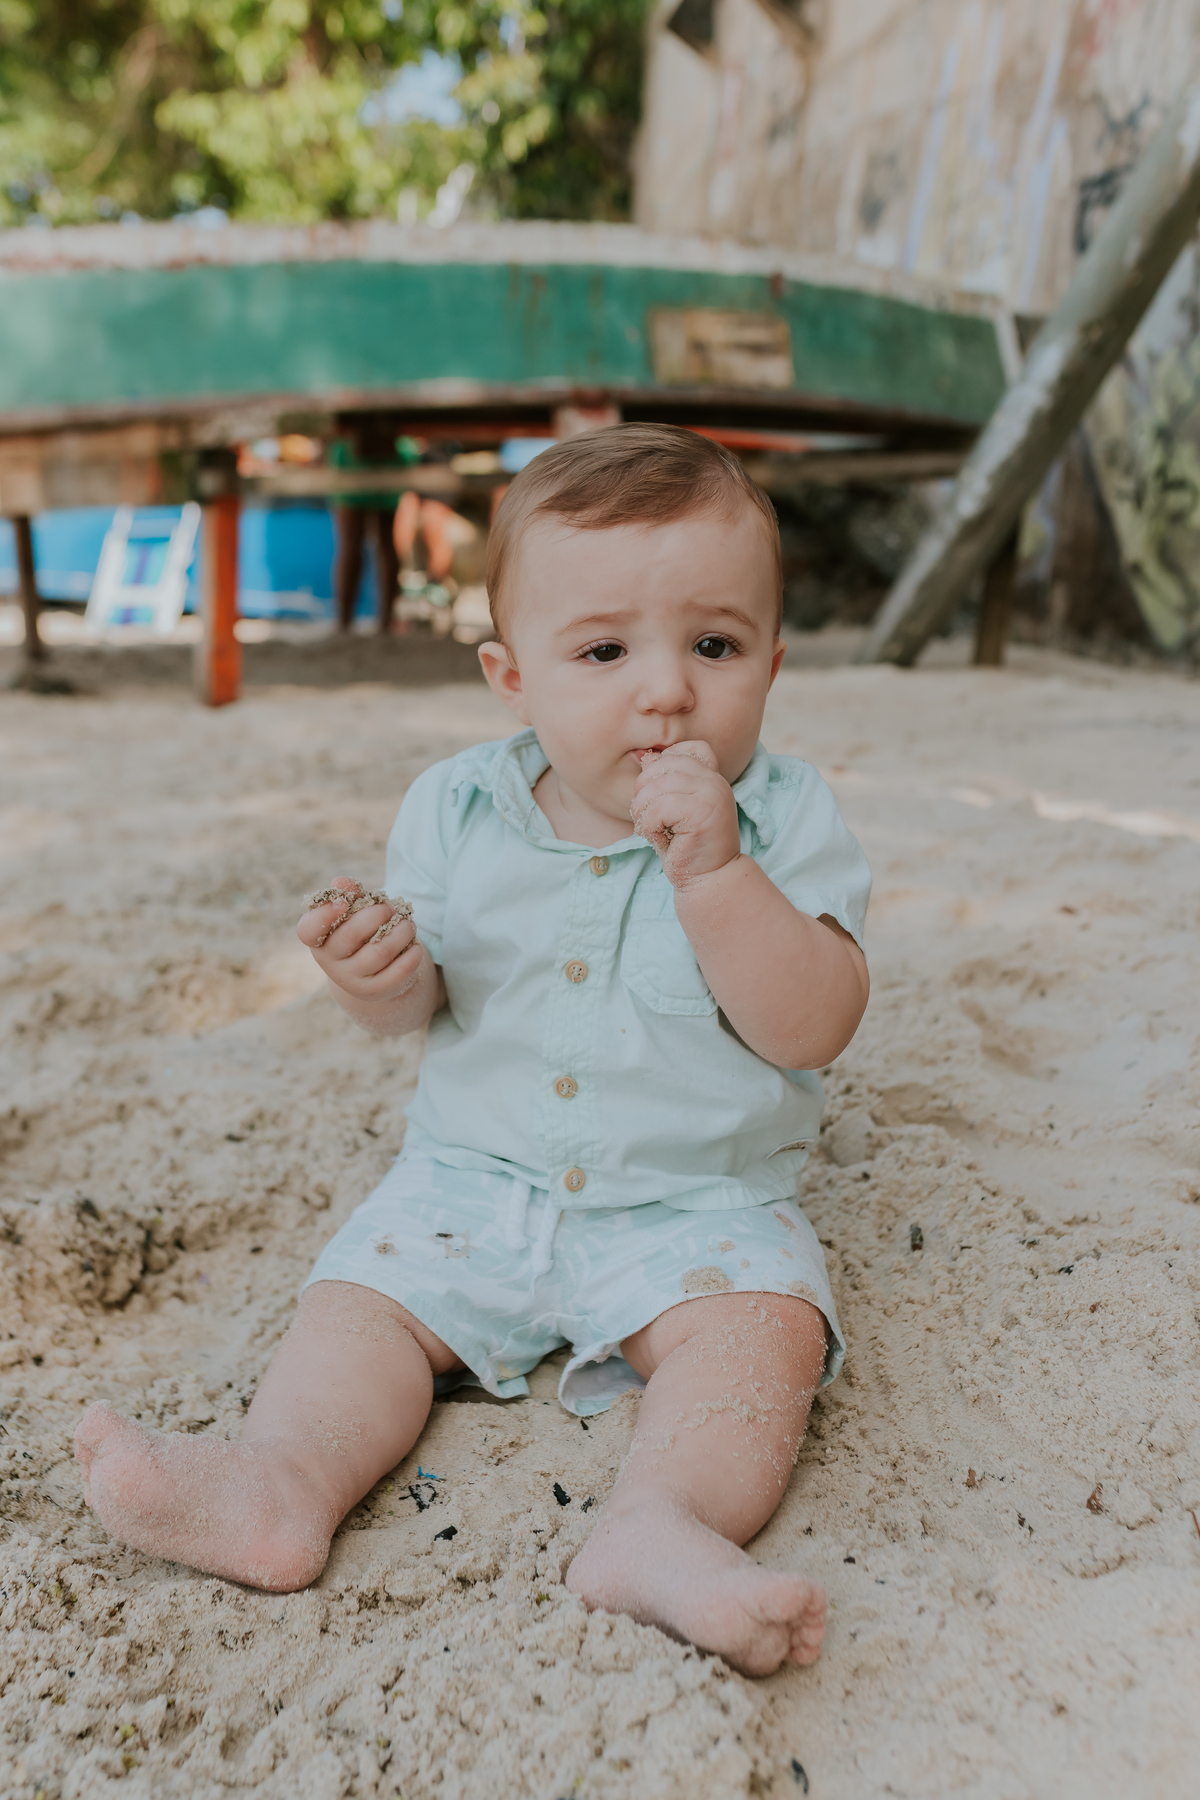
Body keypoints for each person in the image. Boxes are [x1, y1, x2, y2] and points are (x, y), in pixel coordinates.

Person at [75, 425, 871, 1678]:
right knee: (358, 1314)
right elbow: (418, 1008)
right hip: (473, 1179)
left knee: (760, 1335)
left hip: (697, 1199)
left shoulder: (786, 817)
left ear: (772, 661)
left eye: (713, 646)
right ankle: (282, 1484)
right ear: (513, 677)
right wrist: (383, 976)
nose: (665, 690)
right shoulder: (455, 806)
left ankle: (660, 1526)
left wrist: (717, 873)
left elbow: (813, 1022)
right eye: (604, 651)